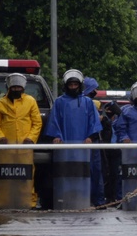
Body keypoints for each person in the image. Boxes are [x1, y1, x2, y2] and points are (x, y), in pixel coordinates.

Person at [0, 73, 43, 207]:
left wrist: (31, 138)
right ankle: (2, 200)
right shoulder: (0, 103)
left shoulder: (31, 101)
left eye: (18, 87)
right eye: (13, 87)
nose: (16, 90)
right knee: (5, 177)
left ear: (23, 88)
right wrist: (1, 138)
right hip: (6, 150)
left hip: (25, 149)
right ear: (8, 88)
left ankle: (27, 202)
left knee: (26, 176)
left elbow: (37, 123)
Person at [44, 69, 103, 206]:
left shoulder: (88, 102)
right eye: (70, 85)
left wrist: (90, 136)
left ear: (80, 85)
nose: (73, 87)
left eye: (75, 85)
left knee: (86, 172)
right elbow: (54, 121)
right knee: (64, 172)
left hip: (84, 146)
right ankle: (64, 198)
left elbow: (94, 122)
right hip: (65, 146)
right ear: (66, 85)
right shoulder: (59, 102)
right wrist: (56, 136)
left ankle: (87, 199)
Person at [82, 76, 105, 206]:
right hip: (86, 142)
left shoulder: (89, 104)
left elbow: (95, 126)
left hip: (92, 141)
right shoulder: (84, 103)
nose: (95, 92)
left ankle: (98, 200)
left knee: (96, 171)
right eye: (93, 90)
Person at [99, 100, 122, 203]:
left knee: (115, 174)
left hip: (116, 150)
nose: (108, 112)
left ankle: (115, 196)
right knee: (106, 173)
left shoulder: (119, 120)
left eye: (110, 110)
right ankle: (108, 196)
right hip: (106, 150)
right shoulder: (104, 121)